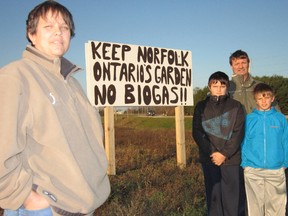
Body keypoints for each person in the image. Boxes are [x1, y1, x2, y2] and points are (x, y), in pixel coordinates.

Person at [0, 1, 110, 216]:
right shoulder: (16, 76)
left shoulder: (72, 82)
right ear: (31, 34)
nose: (58, 33)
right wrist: (26, 197)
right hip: (44, 209)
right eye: (48, 27)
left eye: (64, 27)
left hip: (83, 205)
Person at [193, 71, 245, 216]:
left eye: (222, 85)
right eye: (215, 85)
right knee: (214, 197)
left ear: (227, 87)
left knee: (232, 199)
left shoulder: (236, 106)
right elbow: (197, 132)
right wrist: (212, 153)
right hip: (209, 159)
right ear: (209, 87)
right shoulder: (201, 106)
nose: (219, 89)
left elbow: (238, 132)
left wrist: (224, 154)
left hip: (231, 160)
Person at [241, 83, 288, 216]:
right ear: (255, 100)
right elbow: (243, 142)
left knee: (276, 206)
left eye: (267, 97)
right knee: (255, 206)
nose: (264, 101)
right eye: (260, 98)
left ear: (272, 98)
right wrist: (245, 163)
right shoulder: (249, 119)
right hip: (253, 169)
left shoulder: (280, 119)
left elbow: (286, 141)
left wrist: (285, 163)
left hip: (276, 169)